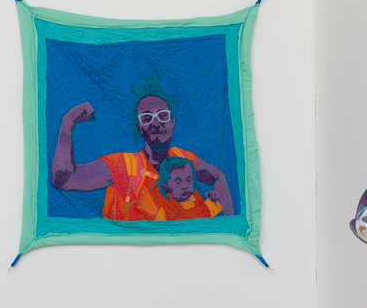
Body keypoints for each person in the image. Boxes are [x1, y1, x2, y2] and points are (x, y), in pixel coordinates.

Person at [51, 76, 234, 221]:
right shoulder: (123, 166)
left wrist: (230, 223)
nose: (156, 123)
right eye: (147, 118)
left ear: (172, 121)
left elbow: (217, 176)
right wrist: (68, 123)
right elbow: (64, 179)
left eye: (163, 116)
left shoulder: (185, 159)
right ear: (138, 127)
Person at [153, 156, 223, 220]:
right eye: (178, 182)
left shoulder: (198, 202)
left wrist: (213, 200)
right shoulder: (166, 212)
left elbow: (207, 213)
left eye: (189, 180)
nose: (185, 186)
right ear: (166, 187)